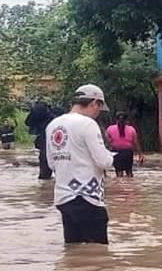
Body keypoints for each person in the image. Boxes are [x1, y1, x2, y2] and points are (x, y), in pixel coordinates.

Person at [46, 84, 116, 245]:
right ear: (95, 103)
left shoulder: (53, 125)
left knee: (74, 250)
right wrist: (112, 158)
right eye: (99, 108)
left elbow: (51, 164)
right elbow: (103, 161)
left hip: (63, 199)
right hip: (88, 198)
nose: (98, 113)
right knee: (98, 254)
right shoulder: (88, 124)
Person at [106, 111, 143, 177]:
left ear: (116, 120)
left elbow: (107, 142)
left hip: (116, 153)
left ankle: (120, 183)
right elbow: (136, 143)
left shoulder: (110, 129)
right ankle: (129, 183)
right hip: (128, 153)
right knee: (129, 172)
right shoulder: (131, 129)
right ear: (126, 120)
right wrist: (140, 155)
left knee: (119, 173)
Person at [26, 100, 56, 179]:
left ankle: (44, 176)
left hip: (42, 139)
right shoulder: (51, 116)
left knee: (44, 160)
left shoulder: (35, 114)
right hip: (52, 139)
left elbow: (27, 122)